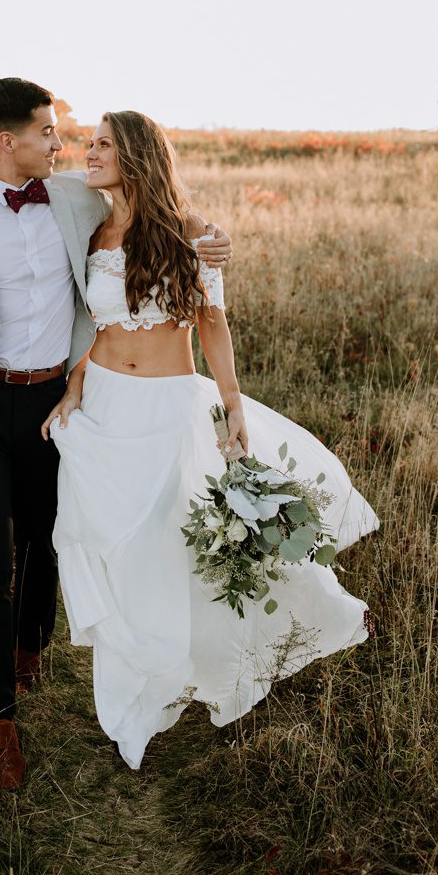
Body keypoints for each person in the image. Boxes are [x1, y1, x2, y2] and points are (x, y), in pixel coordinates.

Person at [0, 79, 231, 789]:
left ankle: (31, 643)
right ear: (8, 141)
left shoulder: (77, 199)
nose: (64, 143)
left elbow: (160, 213)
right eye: (49, 132)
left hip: (55, 396)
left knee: (44, 535)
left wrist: (214, 238)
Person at [42, 111, 379, 769]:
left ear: (136, 154)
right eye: (89, 143)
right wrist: (76, 389)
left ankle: (299, 625)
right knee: (102, 547)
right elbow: (89, 328)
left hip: (168, 408)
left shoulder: (193, 233)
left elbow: (213, 323)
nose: (89, 152)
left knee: (172, 548)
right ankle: (134, 682)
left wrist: (230, 402)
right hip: (104, 411)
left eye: (103, 144)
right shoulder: (92, 228)